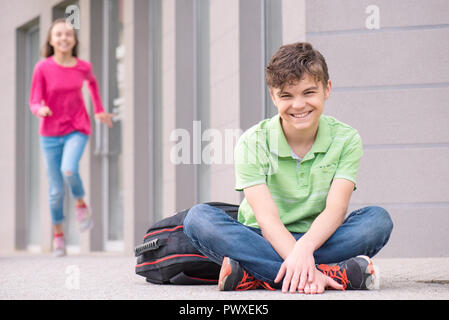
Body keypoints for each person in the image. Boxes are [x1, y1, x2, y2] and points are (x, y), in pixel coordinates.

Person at [183, 42, 393, 294]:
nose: (298, 105)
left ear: (327, 89)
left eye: (308, 92)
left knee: (377, 221)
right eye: (286, 95)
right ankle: (324, 274)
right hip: (262, 238)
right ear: (273, 96)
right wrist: (303, 260)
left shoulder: (346, 139)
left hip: (318, 238)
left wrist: (304, 248)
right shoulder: (253, 142)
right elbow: (267, 219)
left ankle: (259, 274)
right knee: (198, 218)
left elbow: (336, 210)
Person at [29, 19, 113, 257]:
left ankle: (80, 203)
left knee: (69, 169)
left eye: (68, 34)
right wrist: (39, 109)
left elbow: (93, 85)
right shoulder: (42, 67)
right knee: (55, 191)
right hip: (49, 133)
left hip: (77, 127)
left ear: (74, 40)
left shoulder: (82, 67)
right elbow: (34, 99)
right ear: (51, 40)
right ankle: (58, 236)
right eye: (58, 34)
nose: (63, 38)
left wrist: (98, 109)